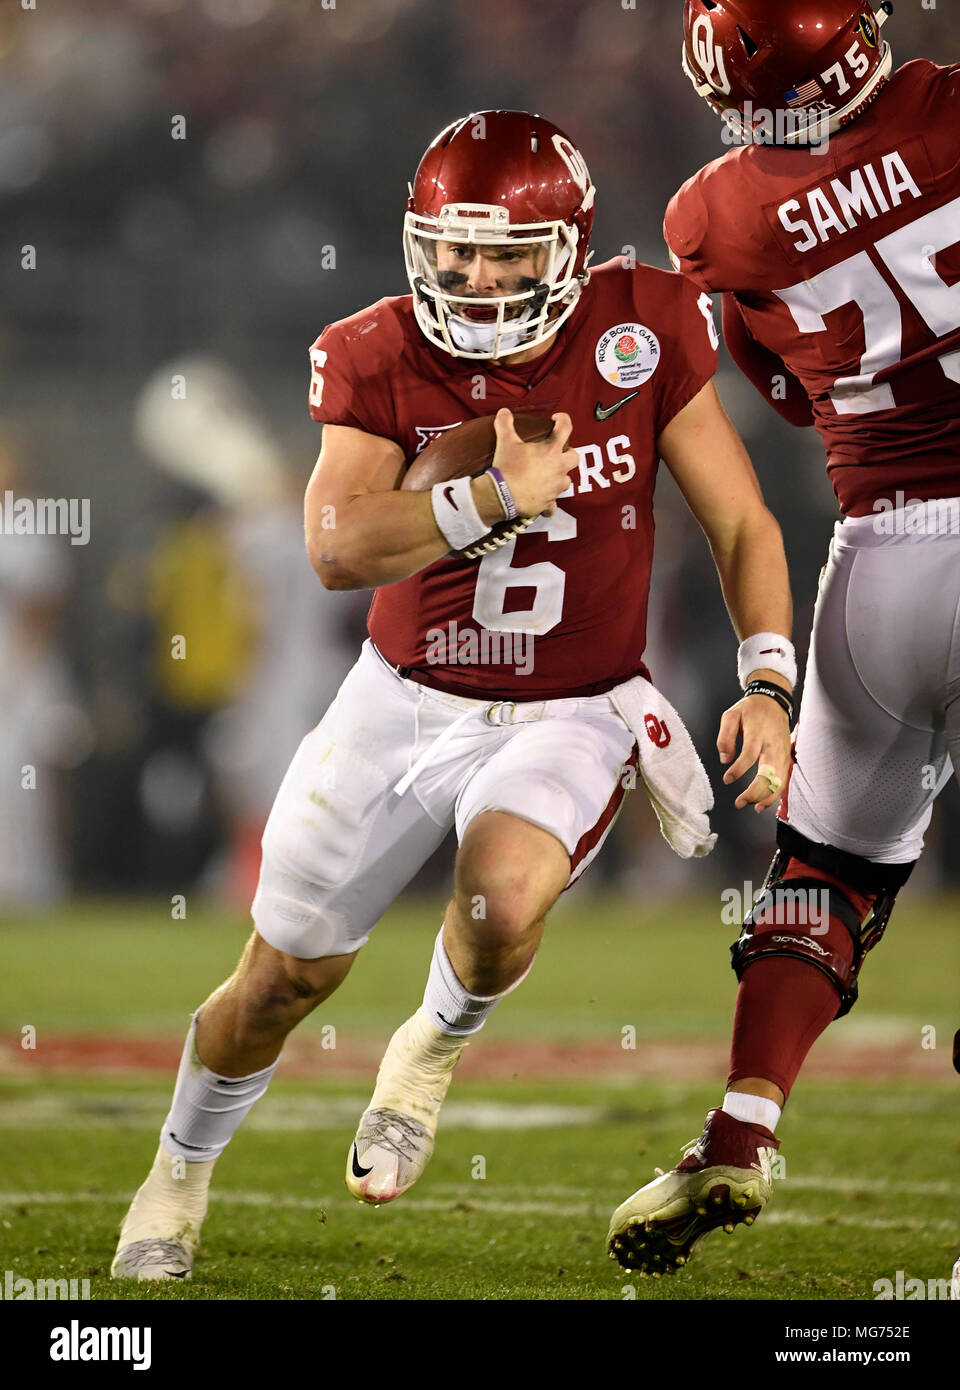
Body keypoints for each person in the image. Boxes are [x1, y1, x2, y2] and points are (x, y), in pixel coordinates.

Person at [111, 108, 794, 1281]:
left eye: (507, 254)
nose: (475, 276)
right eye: (455, 248)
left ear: (569, 249)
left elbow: (738, 518)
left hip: (572, 704)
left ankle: (426, 1051)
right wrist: (492, 499)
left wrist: (770, 679)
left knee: (499, 901)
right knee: (278, 982)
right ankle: (175, 1172)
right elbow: (335, 541)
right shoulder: (378, 349)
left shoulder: (642, 326)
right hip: (403, 697)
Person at [608, 0, 960, 1276]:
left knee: (824, 875)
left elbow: (793, 397)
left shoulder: (712, 214)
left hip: (881, 562)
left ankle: (741, 1126)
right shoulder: (942, 105)